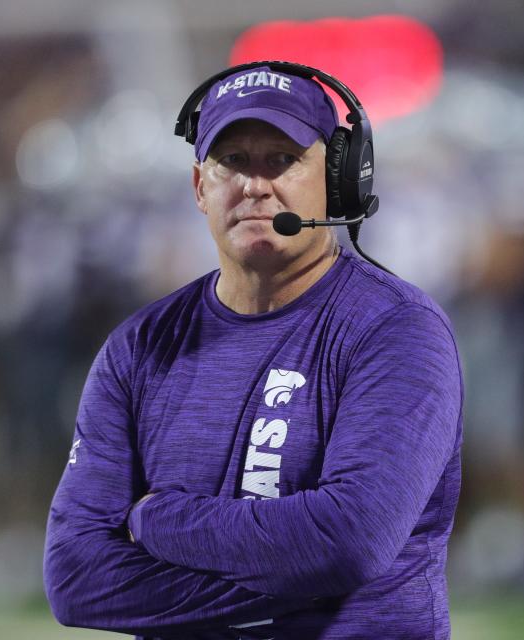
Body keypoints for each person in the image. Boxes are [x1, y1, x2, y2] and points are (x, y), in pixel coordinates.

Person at [43, 62, 464, 640]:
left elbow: (346, 541)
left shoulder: (396, 331)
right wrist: (296, 592)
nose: (254, 185)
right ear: (200, 188)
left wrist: (153, 517)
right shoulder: (137, 350)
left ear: (337, 178)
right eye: (233, 161)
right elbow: (77, 578)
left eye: (282, 160)